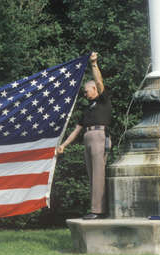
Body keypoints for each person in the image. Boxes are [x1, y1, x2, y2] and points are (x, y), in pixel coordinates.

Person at [57, 52, 111, 220]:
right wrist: (64, 145)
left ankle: (98, 211)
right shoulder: (88, 109)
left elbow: (100, 82)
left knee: (98, 174)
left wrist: (94, 64)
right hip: (88, 138)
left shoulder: (103, 100)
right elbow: (76, 129)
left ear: (94, 89)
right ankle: (95, 208)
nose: (85, 95)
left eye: (87, 92)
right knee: (92, 174)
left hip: (99, 136)